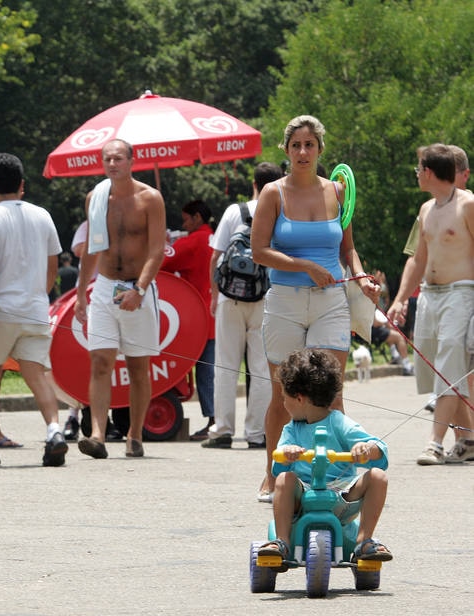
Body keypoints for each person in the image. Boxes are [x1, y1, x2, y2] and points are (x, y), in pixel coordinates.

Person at [251, 115, 379, 499]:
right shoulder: (273, 193)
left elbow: (347, 248)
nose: (303, 152)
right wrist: (304, 265)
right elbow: (259, 251)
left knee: (331, 393)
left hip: (330, 302)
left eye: (310, 145)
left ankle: (334, 475)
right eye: (296, 146)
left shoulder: (338, 191)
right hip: (286, 301)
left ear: (321, 149)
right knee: (282, 394)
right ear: (286, 150)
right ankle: (274, 473)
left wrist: (360, 277)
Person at [0, 153, 67, 467]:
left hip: (0, 311)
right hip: (35, 309)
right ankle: (53, 430)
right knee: (37, 376)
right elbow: (53, 268)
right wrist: (39, 296)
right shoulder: (42, 215)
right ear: (22, 184)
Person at [74, 139, 166, 459]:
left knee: (138, 367)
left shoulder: (149, 198)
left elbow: (157, 250)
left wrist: (139, 290)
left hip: (136, 288)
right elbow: (90, 248)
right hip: (104, 287)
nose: (112, 164)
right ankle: (97, 434)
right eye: (107, 159)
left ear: (131, 160)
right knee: (100, 362)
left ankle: (135, 433)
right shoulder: (96, 198)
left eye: (118, 158)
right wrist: (80, 293)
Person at [256, 349, 392, 565]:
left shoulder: (338, 422)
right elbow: (277, 465)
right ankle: (282, 541)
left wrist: (364, 448)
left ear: (299, 398)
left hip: (341, 496)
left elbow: (380, 449)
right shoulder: (292, 430)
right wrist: (286, 454)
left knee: (378, 476)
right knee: (284, 479)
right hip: (304, 496)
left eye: (284, 397)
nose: (283, 403)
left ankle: (364, 541)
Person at [387, 143, 474, 465]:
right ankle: (467, 438)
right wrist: (399, 300)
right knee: (435, 367)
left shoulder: (468, 205)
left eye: (418, 169)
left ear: (429, 171)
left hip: (461, 293)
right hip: (430, 294)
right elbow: (418, 259)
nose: (416, 175)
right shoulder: (427, 209)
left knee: (449, 365)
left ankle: (434, 443)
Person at [200, 162, 284, 452]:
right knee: (261, 367)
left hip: (230, 297)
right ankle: (257, 433)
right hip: (266, 298)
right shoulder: (281, 211)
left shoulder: (235, 212)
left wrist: (214, 295)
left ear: (253, 184)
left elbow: (216, 257)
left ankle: (222, 430)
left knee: (225, 364)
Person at [161, 200, 216, 440]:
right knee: (211, 371)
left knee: (203, 371)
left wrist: (161, 243)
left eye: (186, 219)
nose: (183, 225)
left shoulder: (192, 242)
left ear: (197, 218)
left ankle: (213, 420)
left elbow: (161, 262)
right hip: (216, 313)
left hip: (196, 316)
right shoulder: (215, 238)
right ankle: (216, 420)